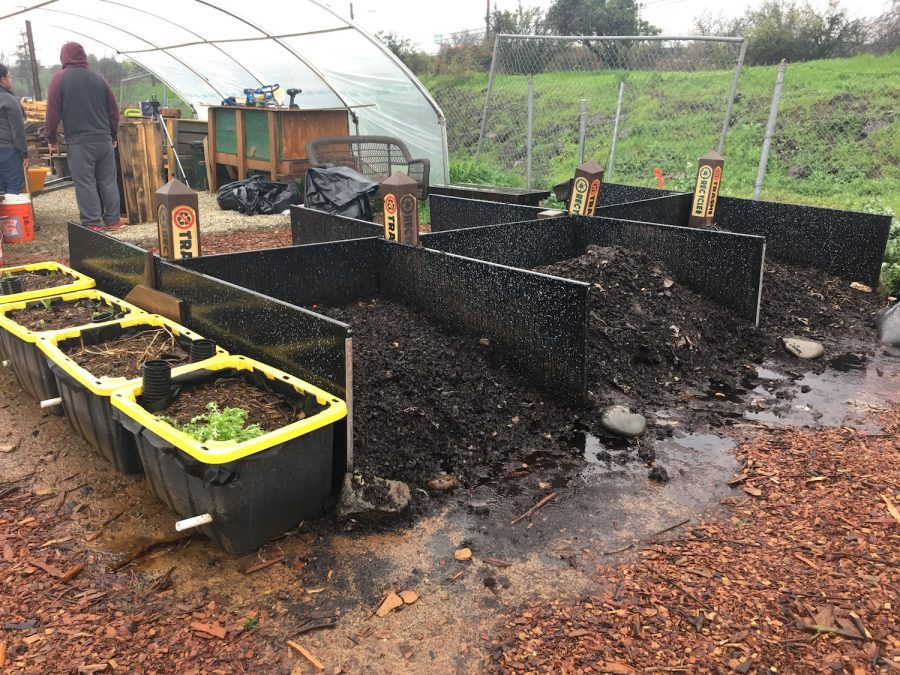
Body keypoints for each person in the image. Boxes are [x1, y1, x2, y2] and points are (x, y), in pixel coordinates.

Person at [45, 42, 123, 230]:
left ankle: (92, 223)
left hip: (80, 143)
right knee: (108, 180)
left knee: (85, 182)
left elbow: (52, 112)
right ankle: (113, 221)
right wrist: (113, 134)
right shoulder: (99, 79)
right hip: (103, 139)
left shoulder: (59, 79)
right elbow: (113, 111)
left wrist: (51, 139)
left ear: (63, 57)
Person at [0, 64, 28, 195]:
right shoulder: (9, 100)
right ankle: (12, 215)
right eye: (9, 76)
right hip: (7, 151)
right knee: (14, 188)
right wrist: (24, 153)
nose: (11, 79)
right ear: (2, 79)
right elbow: (18, 130)